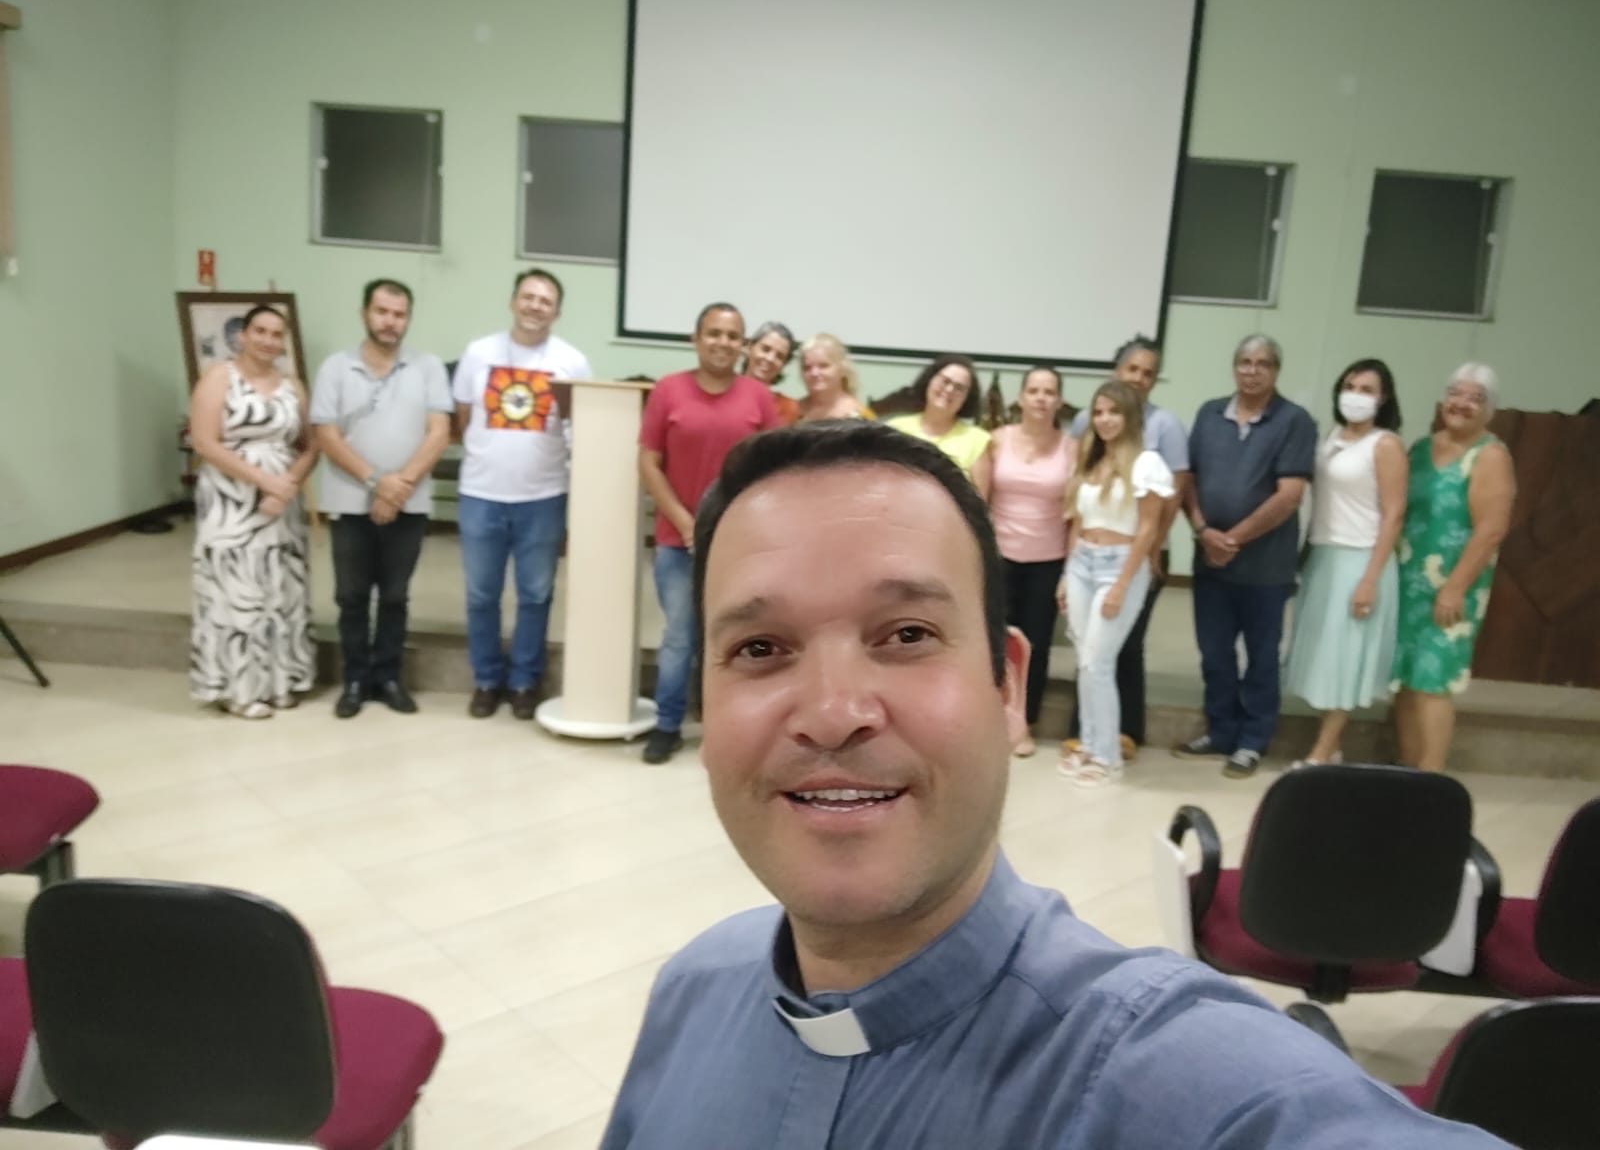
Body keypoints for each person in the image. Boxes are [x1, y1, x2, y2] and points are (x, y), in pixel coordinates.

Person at [599, 420, 1509, 1150]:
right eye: (760, 649)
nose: (834, 713)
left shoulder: (1171, 1081)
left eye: (907, 634)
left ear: (1007, 685)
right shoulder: (693, 993)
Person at [637, 301, 779, 765]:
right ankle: (667, 725)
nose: (722, 342)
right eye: (713, 333)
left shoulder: (758, 397)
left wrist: (733, 526)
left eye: (732, 335)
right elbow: (648, 462)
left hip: (739, 546)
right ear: (695, 340)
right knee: (679, 636)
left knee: (735, 639)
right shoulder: (668, 390)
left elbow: (769, 473)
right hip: (679, 543)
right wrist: (684, 520)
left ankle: (729, 733)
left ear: (743, 346)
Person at [452, 268, 593, 719]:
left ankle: (524, 682)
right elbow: (461, 418)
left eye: (545, 301)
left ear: (557, 311)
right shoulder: (478, 354)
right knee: (481, 596)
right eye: (528, 297)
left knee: (535, 596)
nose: (535, 306)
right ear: (513, 301)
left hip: (543, 496)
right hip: (481, 494)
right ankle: (486, 680)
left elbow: (584, 428)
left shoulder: (571, 361)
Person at [310, 279, 452, 718]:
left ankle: (388, 678)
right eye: (382, 311)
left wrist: (399, 485)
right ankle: (355, 680)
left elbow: (439, 432)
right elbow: (325, 436)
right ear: (364, 314)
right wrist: (377, 482)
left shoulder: (427, 367)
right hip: (350, 501)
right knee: (351, 596)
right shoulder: (336, 367)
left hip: (408, 502)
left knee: (394, 595)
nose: (390, 322)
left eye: (399, 314)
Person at [1177, 334, 1317, 779]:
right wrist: (1202, 531)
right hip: (1209, 564)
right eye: (1244, 362)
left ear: (1276, 371)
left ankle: (1253, 741)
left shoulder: (1294, 421)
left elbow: (1289, 496)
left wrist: (1230, 540)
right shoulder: (1209, 413)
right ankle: (1221, 731)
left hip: (1264, 570)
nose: (1252, 371)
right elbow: (1189, 481)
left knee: (1260, 657)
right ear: (1233, 367)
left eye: (1262, 364)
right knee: (1214, 654)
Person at [188, 305, 317, 719]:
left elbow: (312, 445)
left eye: (276, 334)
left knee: (281, 590)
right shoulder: (217, 378)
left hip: (282, 504)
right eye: (259, 331)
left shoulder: (292, 385)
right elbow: (205, 443)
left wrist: (288, 484)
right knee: (236, 593)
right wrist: (265, 482)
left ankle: (281, 682)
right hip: (232, 503)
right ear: (241, 335)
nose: (267, 340)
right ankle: (238, 689)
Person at [1063, 335, 1190, 759]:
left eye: (1114, 412)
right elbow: (1077, 521)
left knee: (1100, 663)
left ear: (1130, 416)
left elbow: (1150, 528)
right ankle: (1089, 743)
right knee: (1086, 660)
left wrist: (1120, 583)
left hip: (1119, 567)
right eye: (1098, 412)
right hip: (1082, 563)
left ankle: (1107, 755)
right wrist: (1066, 574)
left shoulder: (1147, 462)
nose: (1104, 420)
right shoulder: (1090, 459)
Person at [1392, 364, 1515, 772]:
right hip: (1409, 582)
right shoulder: (1422, 448)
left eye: (1475, 398)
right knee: (1407, 682)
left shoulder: (1491, 455)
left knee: (1435, 681)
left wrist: (1454, 587)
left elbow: (1491, 530)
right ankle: (1409, 771)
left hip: (1453, 588)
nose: (1461, 403)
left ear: (1490, 410)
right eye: (1455, 394)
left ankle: (1432, 778)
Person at [1283, 359, 1407, 765]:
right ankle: (1329, 745)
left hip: (1361, 559)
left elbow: (1393, 514)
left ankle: (1322, 752)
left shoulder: (1384, 444)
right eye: (1350, 385)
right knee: (1323, 652)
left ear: (1383, 398)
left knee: (1344, 657)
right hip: (1325, 556)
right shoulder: (1333, 437)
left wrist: (1370, 579)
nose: (1356, 394)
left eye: (1367, 389)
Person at [986, 365, 1074, 756]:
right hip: (999, 555)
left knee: (1035, 645)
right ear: (1020, 398)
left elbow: (1076, 513)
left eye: (1049, 391)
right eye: (1034, 390)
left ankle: (1024, 724)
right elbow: (980, 499)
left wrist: (1069, 572)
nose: (1041, 398)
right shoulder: (996, 441)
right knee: (995, 640)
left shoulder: (1072, 448)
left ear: (1058, 401)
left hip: (1048, 558)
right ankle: (988, 720)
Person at [885, 354, 992, 497]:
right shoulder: (895, 428)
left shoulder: (977, 440)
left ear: (967, 399)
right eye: (945, 381)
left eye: (959, 388)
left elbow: (980, 505)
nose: (949, 390)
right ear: (929, 380)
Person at [795, 333, 873, 422]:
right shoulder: (791, 412)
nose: (814, 373)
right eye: (807, 368)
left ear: (842, 369)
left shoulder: (861, 416)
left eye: (823, 366)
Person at [741, 320, 801, 425]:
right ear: (750, 347)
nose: (770, 358)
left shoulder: (789, 408)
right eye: (765, 349)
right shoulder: (722, 392)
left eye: (779, 356)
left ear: (784, 365)